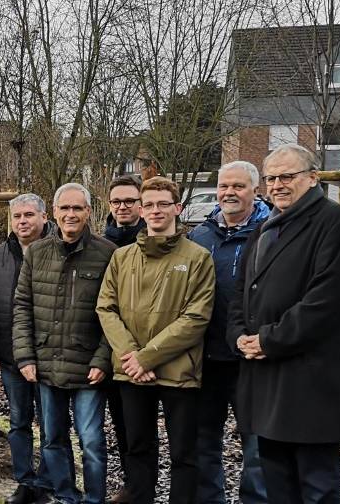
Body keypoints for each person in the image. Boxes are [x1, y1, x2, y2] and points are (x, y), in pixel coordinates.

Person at [227, 144, 340, 504]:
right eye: (271, 178)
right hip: (266, 380)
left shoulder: (337, 224)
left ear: (312, 177)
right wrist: (239, 335)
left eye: (287, 176)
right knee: (277, 484)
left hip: (311, 382)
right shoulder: (265, 229)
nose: (277, 185)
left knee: (316, 485)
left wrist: (268, 341)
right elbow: (241, 292)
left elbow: (326, 304)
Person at [96, 176, 215, 504]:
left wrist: (147, 357)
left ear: (177, 208)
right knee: (137, 449)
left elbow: (196, 317)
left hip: (178, 372)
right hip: (132, 372)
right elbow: (106, 308)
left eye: (163, 204)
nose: (156, 210)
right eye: (148, 204)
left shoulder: (197, 258)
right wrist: (131, 355)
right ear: (141, 209)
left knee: (183, 454)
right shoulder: (122, 258)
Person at [12, 184, 117, 504]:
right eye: (65, 209)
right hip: (45, 363)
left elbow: (116, 313)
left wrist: (103, 359)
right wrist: (25, 356)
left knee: (91, 441)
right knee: (53, 439)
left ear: (88, 212)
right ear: (54, 213)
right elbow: (22, 306)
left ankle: (94, 498)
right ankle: (67, 496)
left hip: (88, 368)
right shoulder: (38, 252)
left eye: (77, 208)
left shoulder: (108, 253)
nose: (70, 215)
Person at [187, 162, 269, 504]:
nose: (229, 193)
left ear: (254, 189)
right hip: (206, 356)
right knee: (204, 440)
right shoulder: (200, 236)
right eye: (223, 186)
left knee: (257, 443)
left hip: (252, 357)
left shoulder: (271, 233)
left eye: (238, 186)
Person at [0, 193, 52, 503]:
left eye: (28, 215)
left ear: (43, 217)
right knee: (18, 421)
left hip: (50, 356)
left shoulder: (57, 251)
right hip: (12, 356)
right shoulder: (0, 255)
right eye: (17, 216)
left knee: (52, 423)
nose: (22, 221)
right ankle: (25, 481)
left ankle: (49, 481)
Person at [103, 174, 144, 502]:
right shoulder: (103, 241)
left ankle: (143, 486)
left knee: (141, 428)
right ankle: (133, 487)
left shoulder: (150, 237)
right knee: (122, 423)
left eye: (129, 201)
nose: (123, 207)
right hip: (112, 349)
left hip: (147, 350)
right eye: (117, 201)